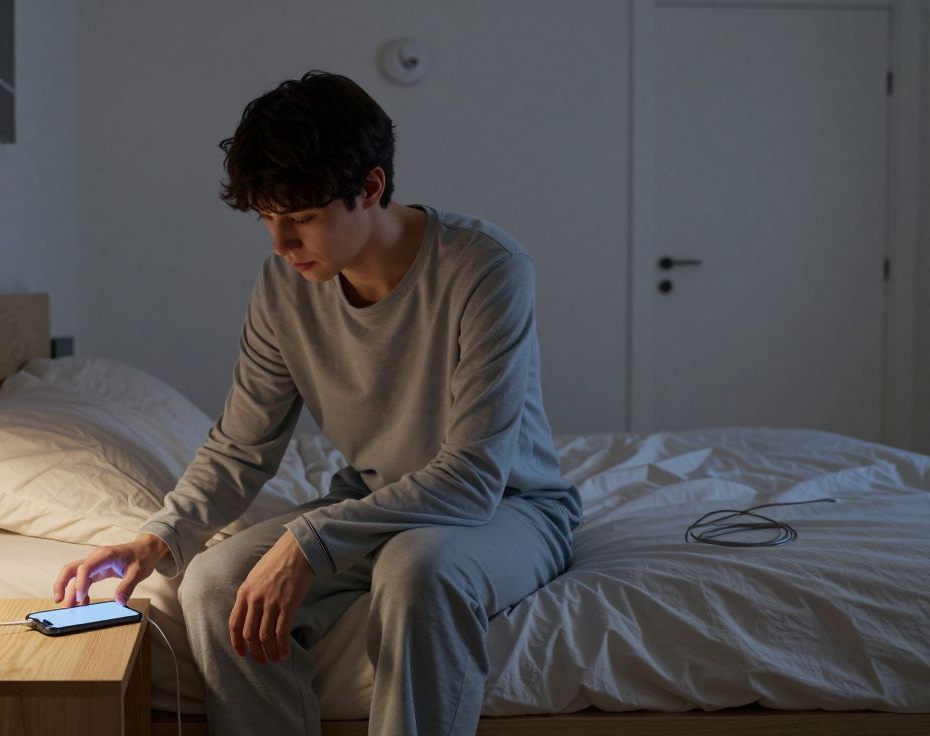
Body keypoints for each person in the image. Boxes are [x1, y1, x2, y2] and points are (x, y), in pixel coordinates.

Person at [53, 70, 582, 736]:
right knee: (214, 585)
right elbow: (243, 443)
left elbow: (474, 479)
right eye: (268, 219)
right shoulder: (284, 286)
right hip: (375, 499)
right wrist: (159, 538)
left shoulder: (487, 268)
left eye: (301, 218)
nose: (280, 244)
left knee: (416, 572)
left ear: (370, 188)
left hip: (510, 507)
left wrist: (311, 541)